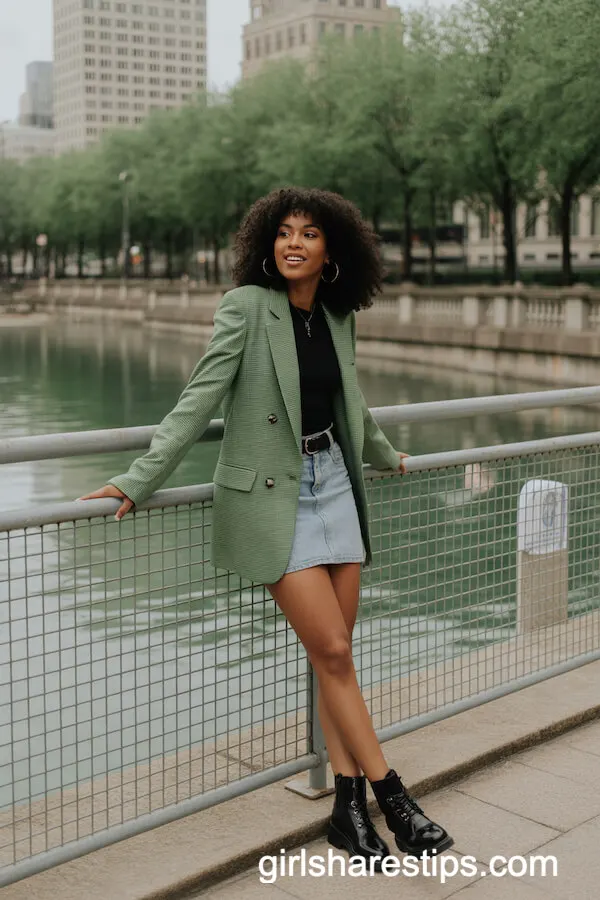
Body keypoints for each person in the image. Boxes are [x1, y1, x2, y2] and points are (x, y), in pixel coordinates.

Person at [77, 187, 453, 870]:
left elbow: (351, 402)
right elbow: (198, 399)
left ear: (331, 249)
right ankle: (394, 798)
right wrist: (139, 477)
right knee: (335, 650)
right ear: (265, 243)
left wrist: (386, 453)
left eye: (309, 234)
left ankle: (346, 811)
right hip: (274, 497)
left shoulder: (338, 315)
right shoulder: (245, 308)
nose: (293, 244)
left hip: (334, 482)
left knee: (334, 654)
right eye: (283, 232)